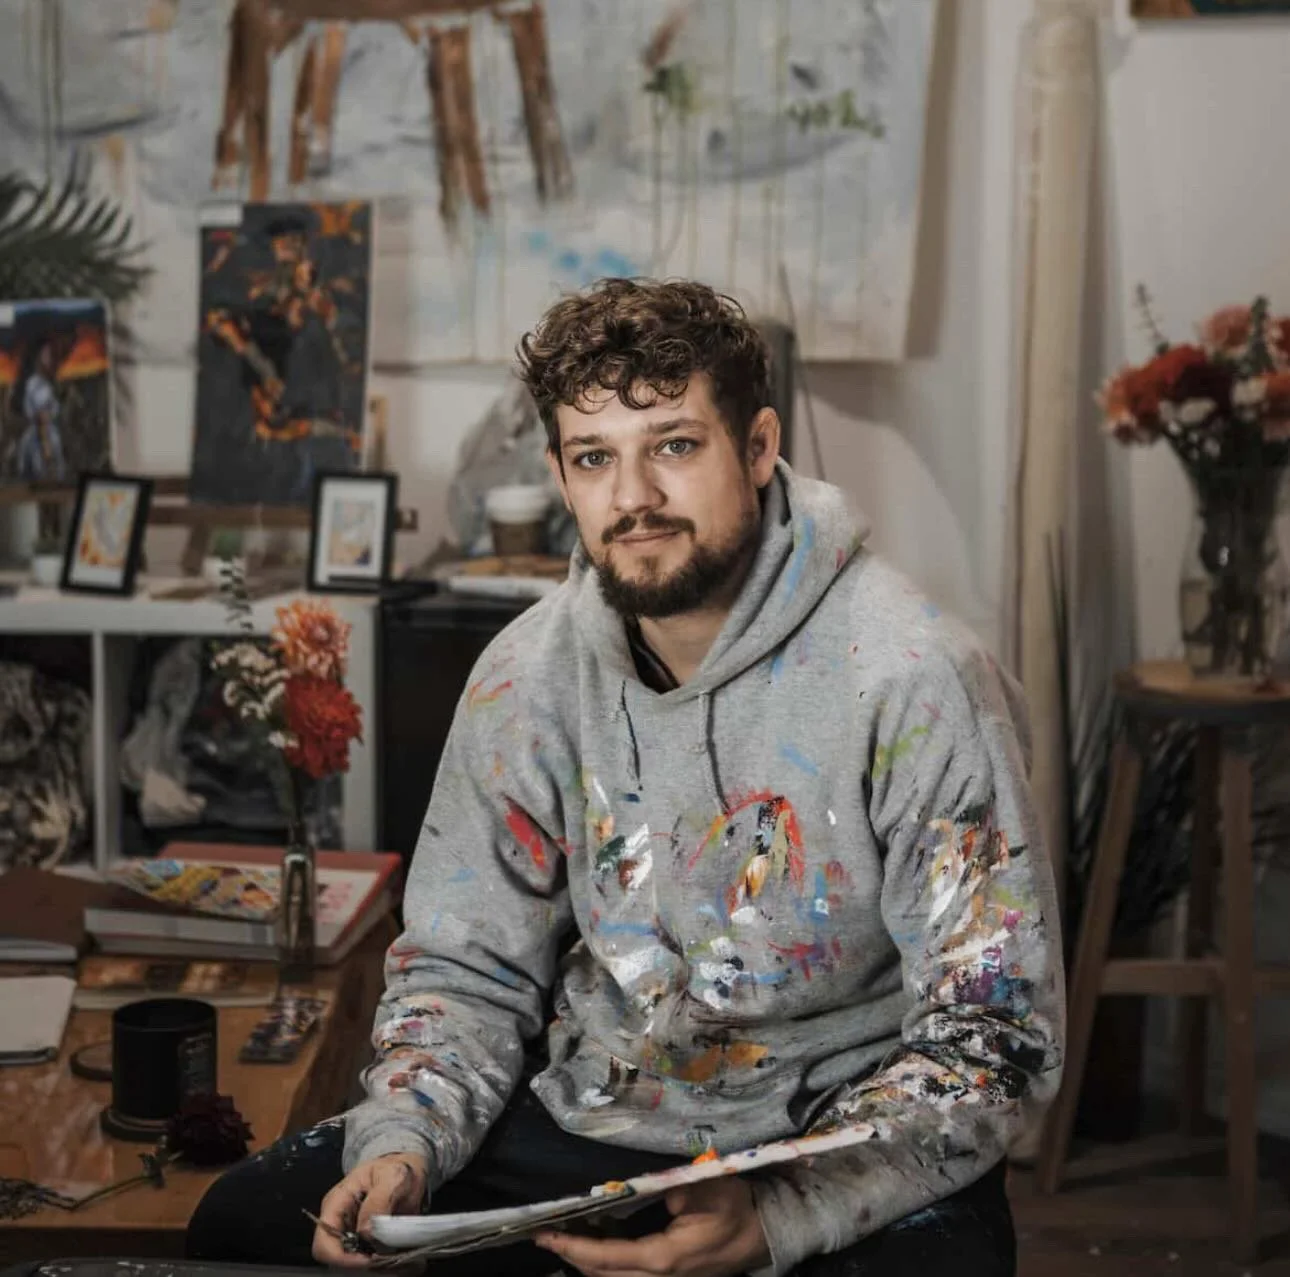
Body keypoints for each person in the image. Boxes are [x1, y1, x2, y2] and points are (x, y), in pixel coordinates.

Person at [187, 278, 1064, 1276]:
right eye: (595, 457)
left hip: (844, 1142)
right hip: (602, 1121)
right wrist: (406, 1139)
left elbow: (993, 1038)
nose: (633, 496)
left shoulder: (916, 678)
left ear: (761, 444)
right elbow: (464, 969)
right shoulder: (523, 677)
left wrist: (775, 1215)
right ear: (562, 474)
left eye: (675, 445)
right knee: (250, 1226)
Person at [13, 337, 67, 481]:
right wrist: (47, 454)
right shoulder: (37, 385)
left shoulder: (42, 383)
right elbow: (42, 417)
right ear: (38, 358)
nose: (54, 360)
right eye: (49, 355)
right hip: (40, 440)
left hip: (41, 438)